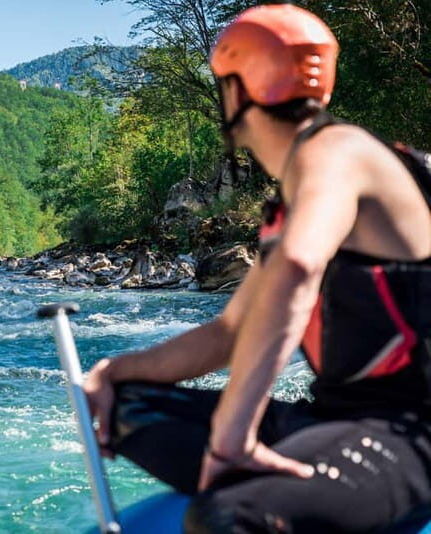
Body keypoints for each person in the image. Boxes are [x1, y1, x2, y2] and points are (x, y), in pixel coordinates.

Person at [84, 4, 431, 532]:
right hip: (329, 417)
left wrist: (231, 432)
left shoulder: (336, 151)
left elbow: (296, 267)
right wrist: (115, 372)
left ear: (235, 92)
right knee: (129, 406)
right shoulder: (307, 188)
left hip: (406, 433)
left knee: (225, 515)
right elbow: (229, 332)